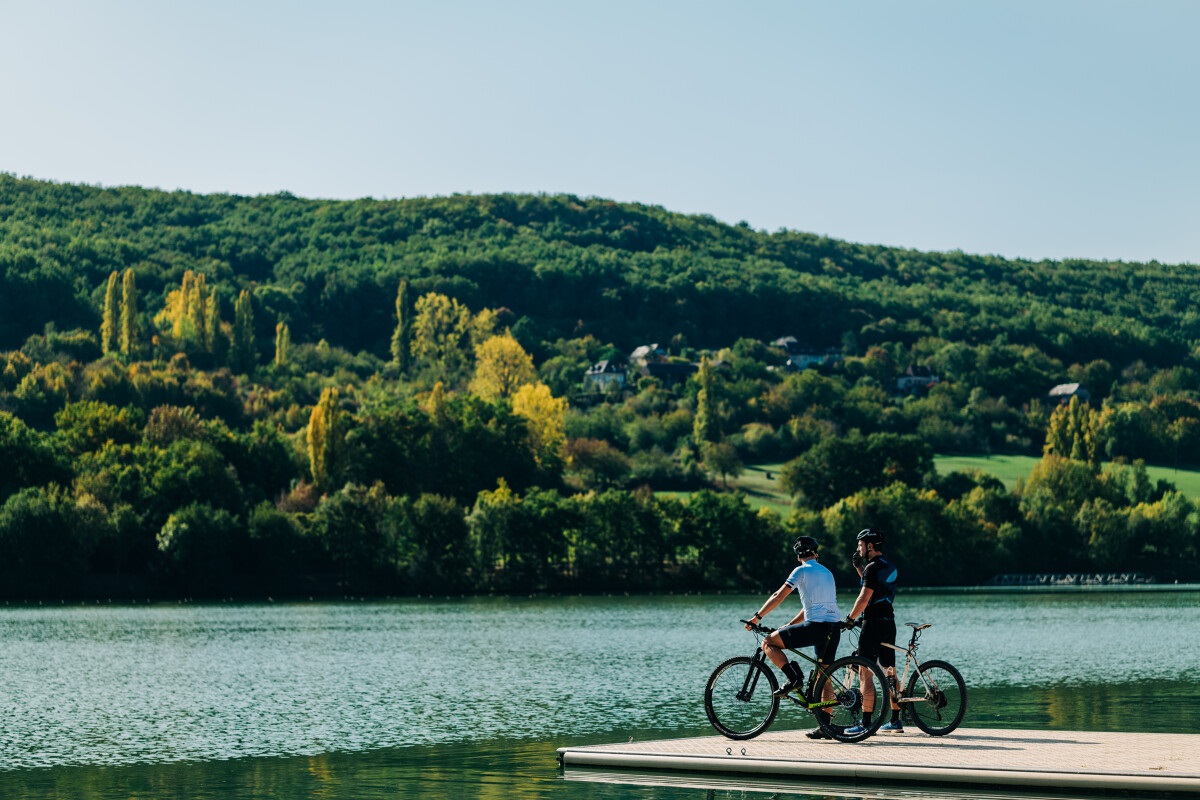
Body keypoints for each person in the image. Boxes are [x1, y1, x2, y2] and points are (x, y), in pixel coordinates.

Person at [745, 535, 842, 740]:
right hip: (833, 628)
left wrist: (757, 617)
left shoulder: (801, 571)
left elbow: (779, 596)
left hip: (815, 627)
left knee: (768, 642)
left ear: (799, 556)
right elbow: (813, 606)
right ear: (815, 553)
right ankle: (826, 726)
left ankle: (794, 677)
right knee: (825, 675)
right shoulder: (827, 572)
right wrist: (791, 625)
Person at [842, 527, 902, 735]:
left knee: (864, 670)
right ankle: (895, 720)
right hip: (888, 622)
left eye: (860, 545)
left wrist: (850, 619)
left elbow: (864, 597)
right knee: (889, 670)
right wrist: (860, 568)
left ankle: (866, 723)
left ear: (869, 546)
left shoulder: (872, 568)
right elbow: (876, 588)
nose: (858, 549)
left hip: (873, 623)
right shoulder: (888, 566)